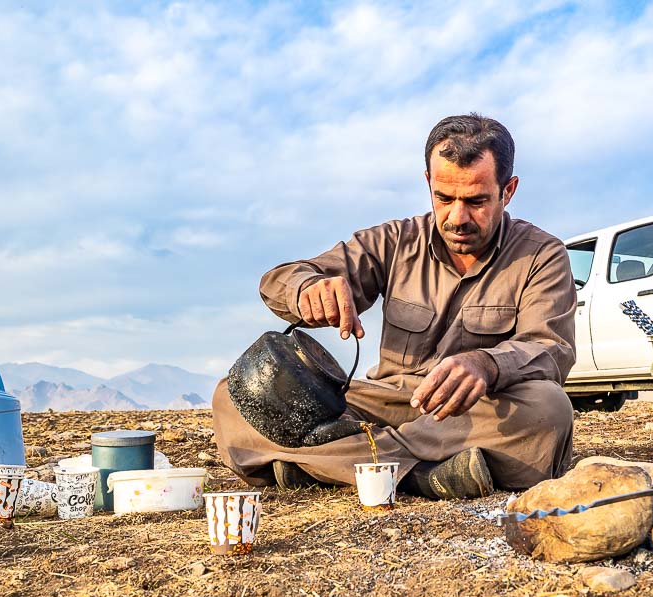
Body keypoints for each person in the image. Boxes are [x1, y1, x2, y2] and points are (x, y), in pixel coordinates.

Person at [212, 113, 576, 499]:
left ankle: (329, 464)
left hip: (470, 415)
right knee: (234, 396)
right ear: (428, 183)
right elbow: (279, 279)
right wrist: (307, 288)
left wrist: (487, 364)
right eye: (444, 197)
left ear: (508, 190)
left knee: (548, 409)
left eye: (476, 201)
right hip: (383, 403)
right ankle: (422, 475)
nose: (457, 217)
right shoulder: (395, 240)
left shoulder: (542, 254)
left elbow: (550, 348)